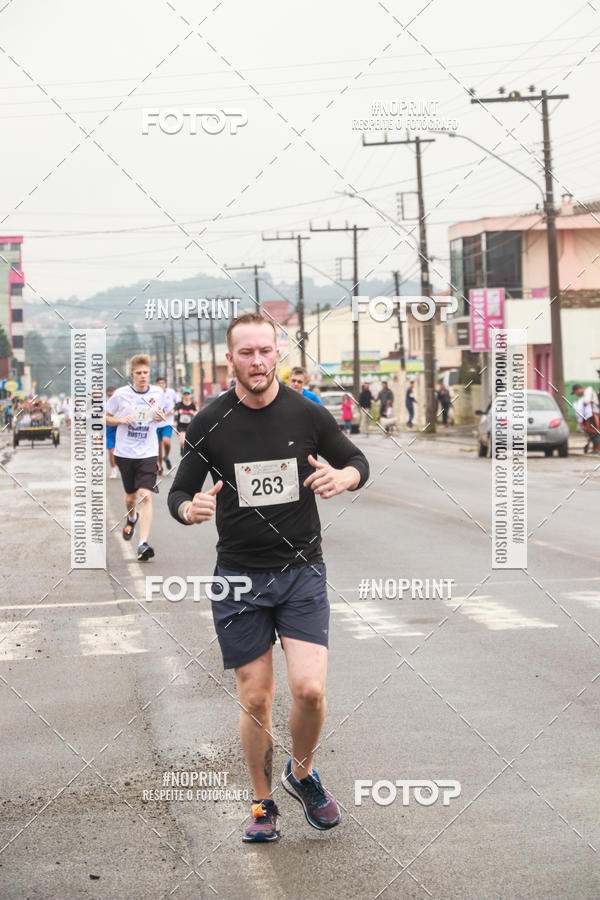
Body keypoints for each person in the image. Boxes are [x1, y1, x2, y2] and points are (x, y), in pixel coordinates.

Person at [168, 313, 369, 843]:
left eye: (265, 351)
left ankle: (301, 774)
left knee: (310, 689)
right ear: (229, 359)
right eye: (246, 353)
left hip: (301, 571)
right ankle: (262, 803)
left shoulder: (306, 412)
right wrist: (188, 509)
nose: (257, 362)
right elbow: (179, 491)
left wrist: (344, 476)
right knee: (256, 698)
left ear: (277, 353)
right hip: (238, 578)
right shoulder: (209, 422)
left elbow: (356, 460)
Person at [106, 355, 172, 561]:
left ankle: (143, 543)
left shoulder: (158, 392)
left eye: (146, 373)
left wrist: (161, 415)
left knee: (146, 496)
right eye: (139, 373)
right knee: (131, 498)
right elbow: (104, 417)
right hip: (125, 453)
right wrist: (119, 420)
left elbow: (163, 413)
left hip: (148, 452)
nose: (143, 376)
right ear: (132, 374)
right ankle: (131, 517)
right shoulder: (121, 395)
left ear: (149, 373)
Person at [155, 376, 178, 474]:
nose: (161, 385)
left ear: (165, 384)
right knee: (158, 447)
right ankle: (159, 466)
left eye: (162, 383)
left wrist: (174, 410)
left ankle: (166, 456)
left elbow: (178, 403)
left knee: (166, 441)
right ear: (156, 384)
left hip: (167, 422)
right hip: (156, 424)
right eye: (159, 383)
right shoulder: (153, 394)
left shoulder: (171, 392)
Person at [571, 383, 600, 453]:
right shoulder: (587, 392)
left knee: (594, 431)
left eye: (575, 392)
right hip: (591, 415)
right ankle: (595, 449)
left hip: (593, 414)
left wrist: (580, 404)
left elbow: (586, 401)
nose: (576, 394)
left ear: (578, 389)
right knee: (591, 432)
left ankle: (598, 449)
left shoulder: (588, 390)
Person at [174, 388, 198, 455]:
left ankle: (188, 453)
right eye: (185, 394)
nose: (186, 396)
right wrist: (174, 421)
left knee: (190, 442)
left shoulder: (192, 405)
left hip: (190, 426)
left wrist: (193, 412)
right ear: (182, 395)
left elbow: (197, 414)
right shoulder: (179, 404)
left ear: (190, 395)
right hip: (181, 426)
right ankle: (182, 450)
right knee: (182, 441)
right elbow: (173, 411)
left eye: (188, 394)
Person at [106, 387, 118, 479]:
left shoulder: (121, 403)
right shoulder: (104, 404)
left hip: (120, 429)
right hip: (110, 430)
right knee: (111, 451)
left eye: (112, 395)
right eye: (109, 396)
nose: (111, 397)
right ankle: (113, 469)